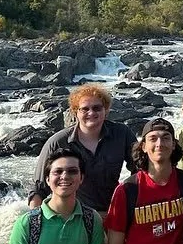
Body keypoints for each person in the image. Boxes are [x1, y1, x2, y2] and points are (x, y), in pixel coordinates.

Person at [28, 83, 135, 213]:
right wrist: (34, 222)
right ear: (75, 112)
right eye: (85, 109)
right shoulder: (58, 142)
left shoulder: (122, 134)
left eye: (97, 108)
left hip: (113, 213)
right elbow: (38, 188)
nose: (91, 113)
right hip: (73, 216)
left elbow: (141, 170)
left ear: (106, 110)